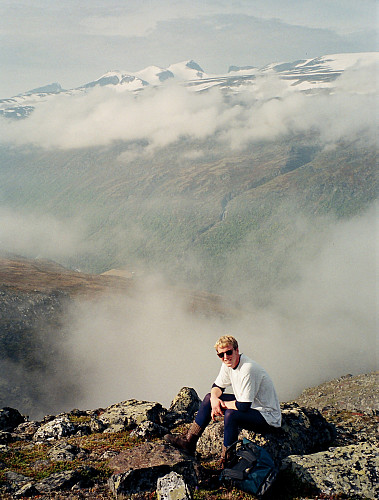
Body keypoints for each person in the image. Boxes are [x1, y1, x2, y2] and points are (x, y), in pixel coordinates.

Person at [164, 335, 281, 465]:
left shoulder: (248, 369)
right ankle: (189, 442)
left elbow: (243, 406)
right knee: (209, 397)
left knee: (232, 414)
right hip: (252, 407)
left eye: (229, 352)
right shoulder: (228, 364)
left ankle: (228, 459)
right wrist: (214, 400)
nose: (225, 357)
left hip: (268, 417)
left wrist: (222, 404)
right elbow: (217, 386)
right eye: (221, 355)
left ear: (237, 350)